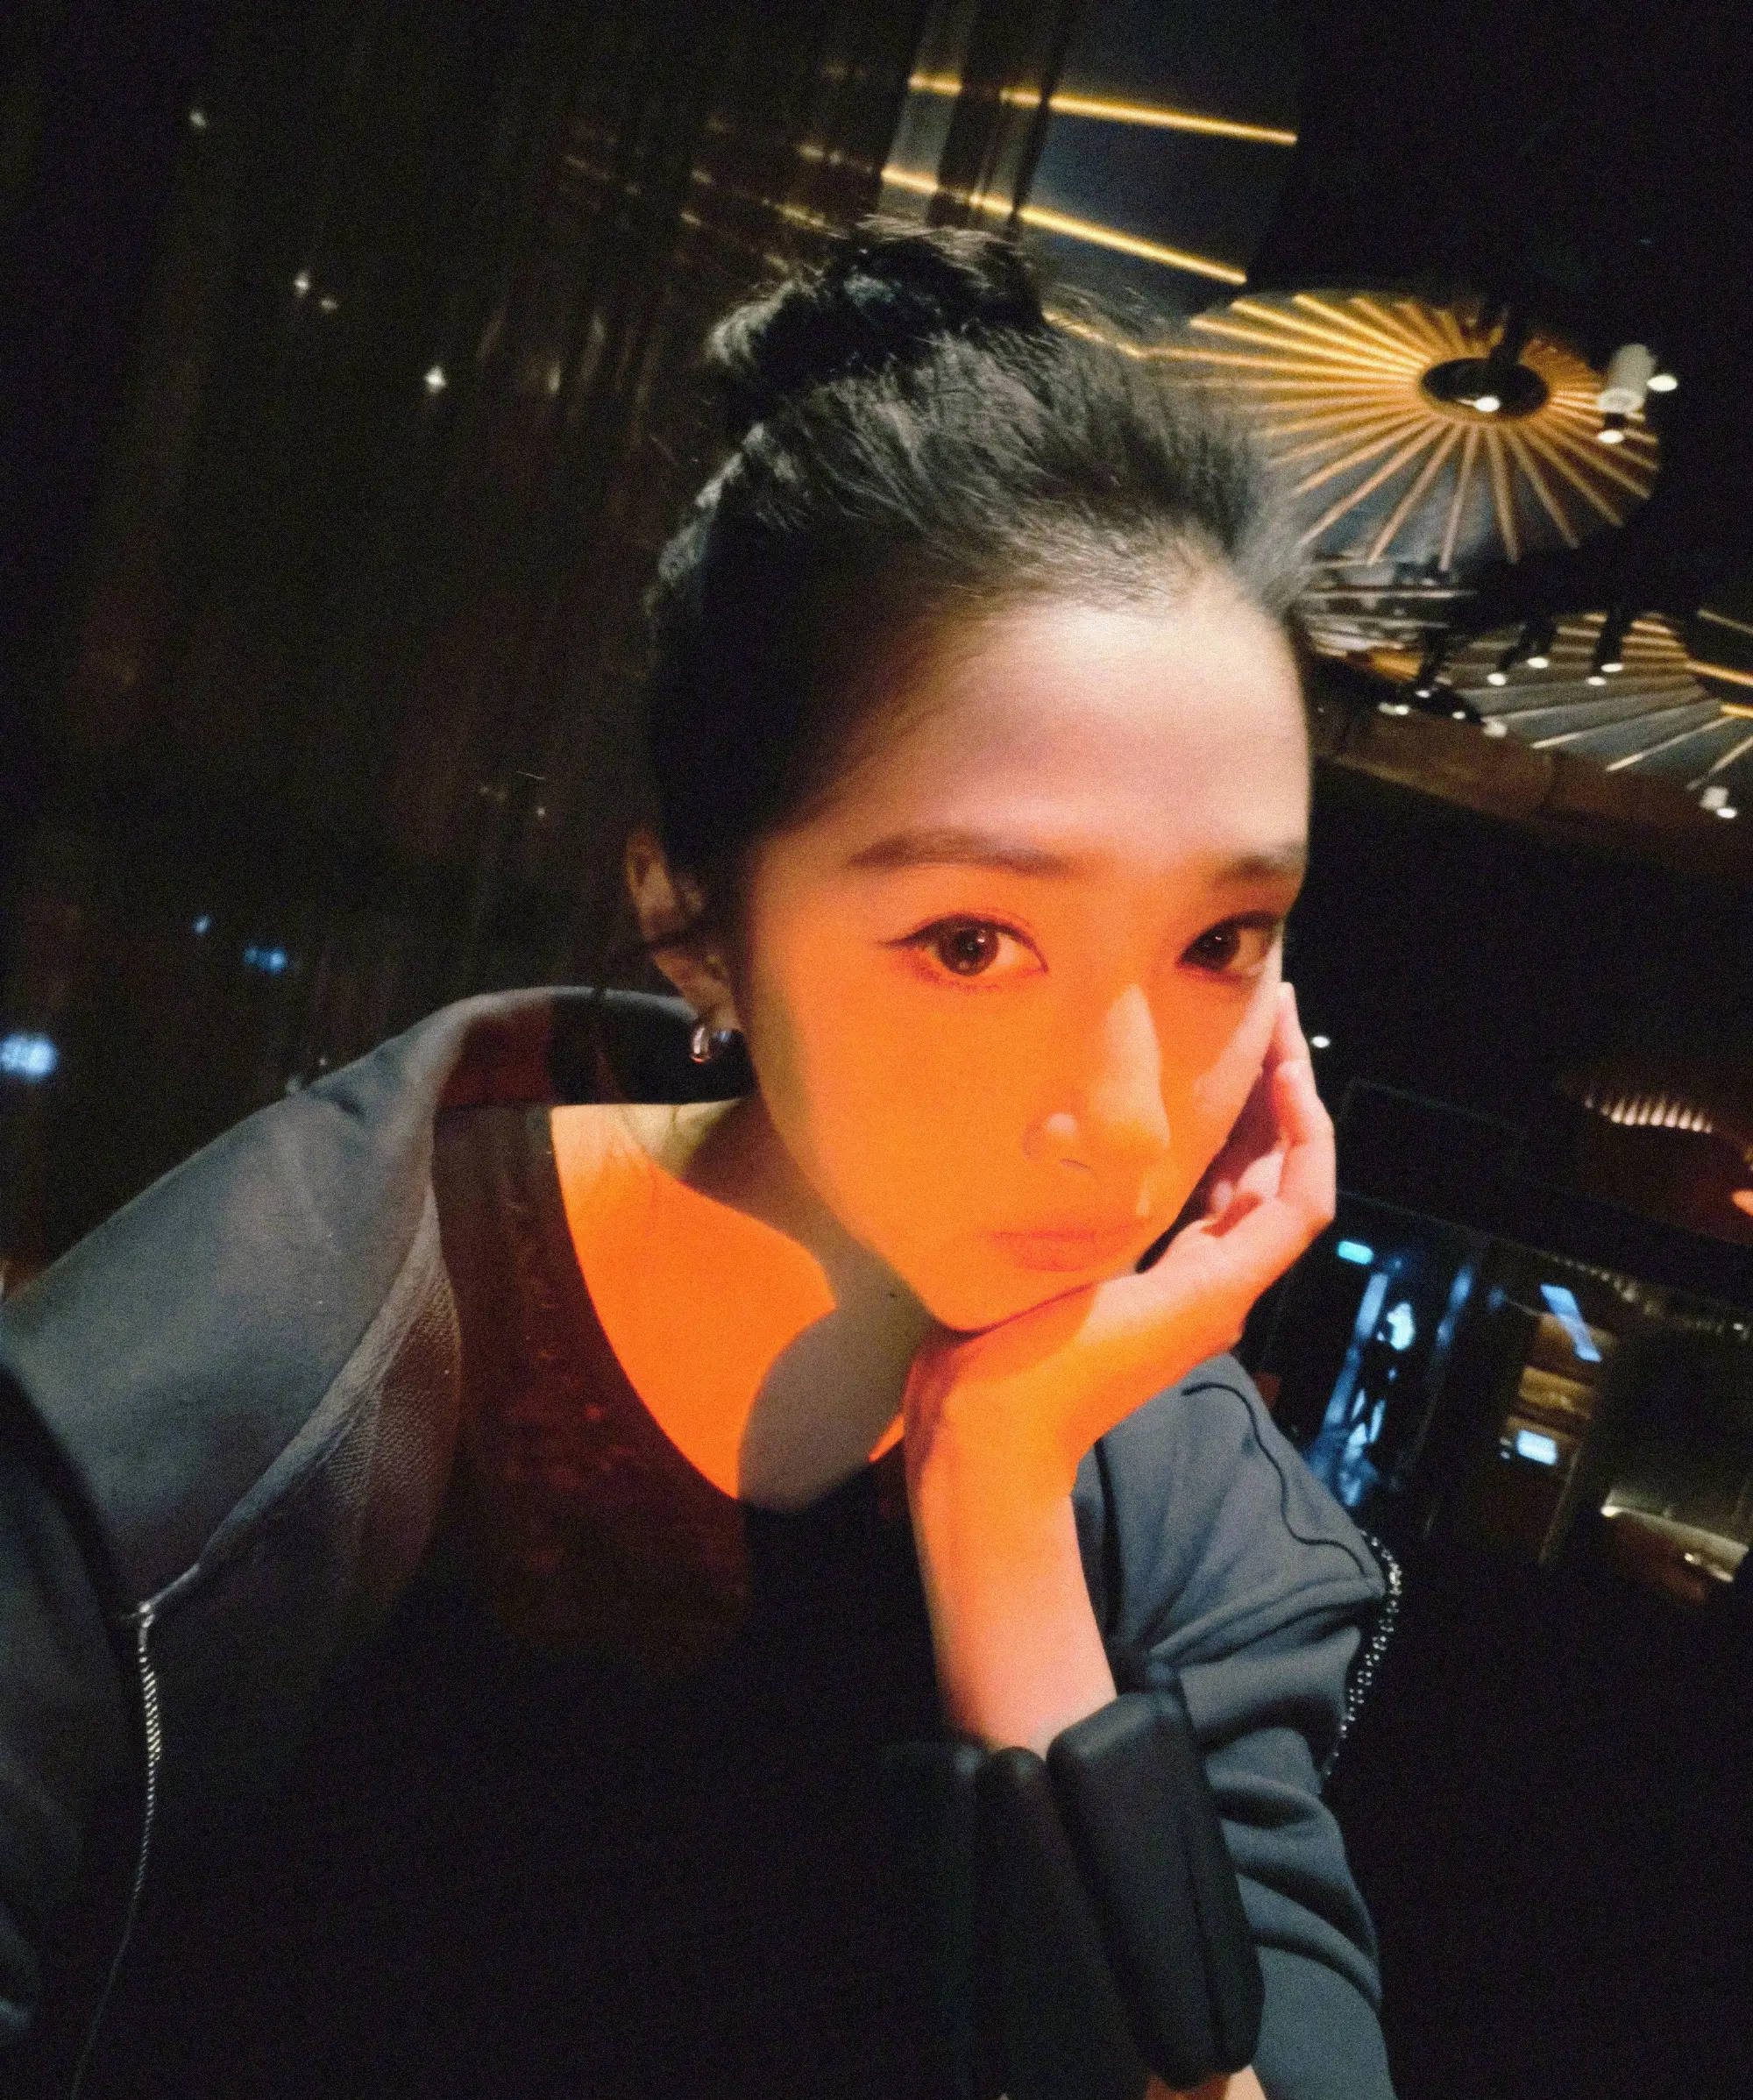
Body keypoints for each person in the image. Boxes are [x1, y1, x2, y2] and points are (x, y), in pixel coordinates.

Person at [0, 220, 1395, 2100]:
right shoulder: (237, 1391)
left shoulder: (1180, 1498)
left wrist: (999, 1502)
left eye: (1219, 942)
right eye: (973, 943)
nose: (1133, 1118)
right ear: (693, 923)